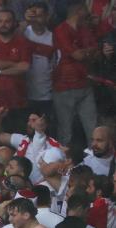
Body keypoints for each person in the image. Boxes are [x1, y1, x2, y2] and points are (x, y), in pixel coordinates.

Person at [52, 1, 99, 146]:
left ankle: (95, 161)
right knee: (66, 131)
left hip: (85, 84)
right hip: (65, 85)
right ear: (79, 10)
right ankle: (63, 165)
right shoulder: (60, 30)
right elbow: (78, 55)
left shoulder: (84, 29)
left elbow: (97, 53)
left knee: (92, 128)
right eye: (86, 9)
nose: (88, 12)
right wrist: (88, 51)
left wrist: (85, 52)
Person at [0, 8, 32, 131]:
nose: (3, 24)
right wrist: (14, 64)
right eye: (0, 21)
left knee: (16, 141)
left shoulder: (23, 42)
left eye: (7, 21)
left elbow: (24, 67)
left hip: (17, 101)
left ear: (14, 23)